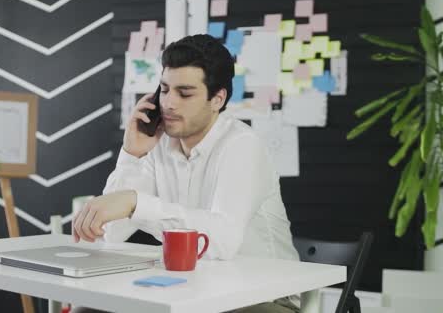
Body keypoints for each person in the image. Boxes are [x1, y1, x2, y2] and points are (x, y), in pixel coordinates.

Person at [71, 34, 300, 313]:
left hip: (264, 297)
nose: (168, 104)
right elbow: (113, 232)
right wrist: (131, 155)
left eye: (185, 93)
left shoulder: (242, 146)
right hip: (192, 290)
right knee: (88, 309)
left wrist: (135, 202)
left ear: (217, 99)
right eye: (164, 89)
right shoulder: (159, 143)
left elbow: (222, 241)